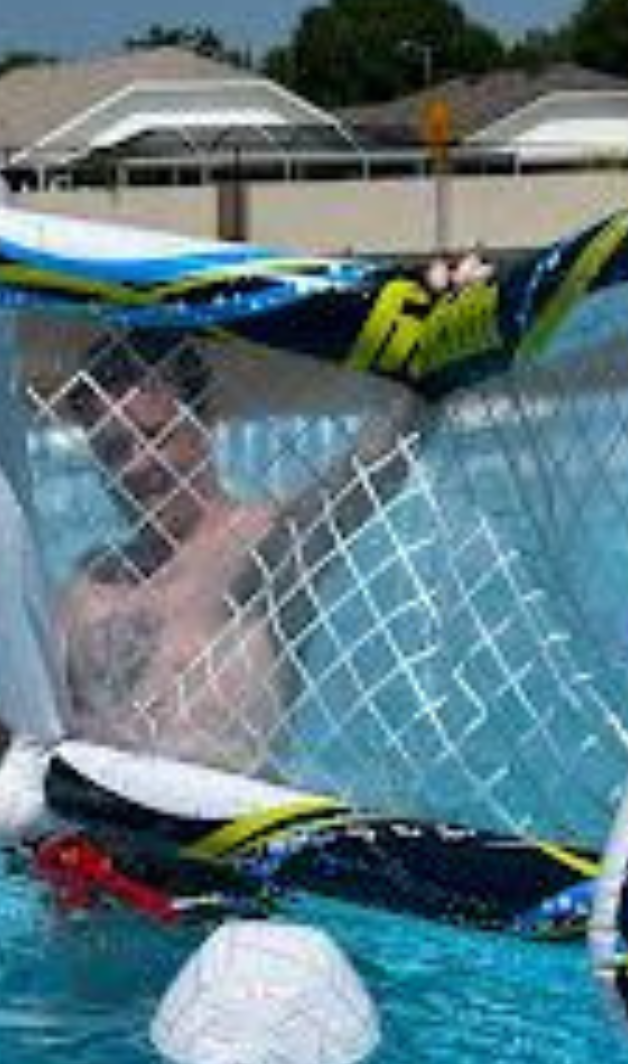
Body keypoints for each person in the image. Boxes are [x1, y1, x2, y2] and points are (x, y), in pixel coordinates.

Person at [36, 324, 443, 780]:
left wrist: (430, 351)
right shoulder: (87, 586)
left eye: (155, 435)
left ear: (203, 423)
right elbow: (30, 726)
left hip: (227, 833)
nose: (136, 464)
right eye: (113, 449)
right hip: (107, 835)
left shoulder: (268, 542)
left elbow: (373, 467)